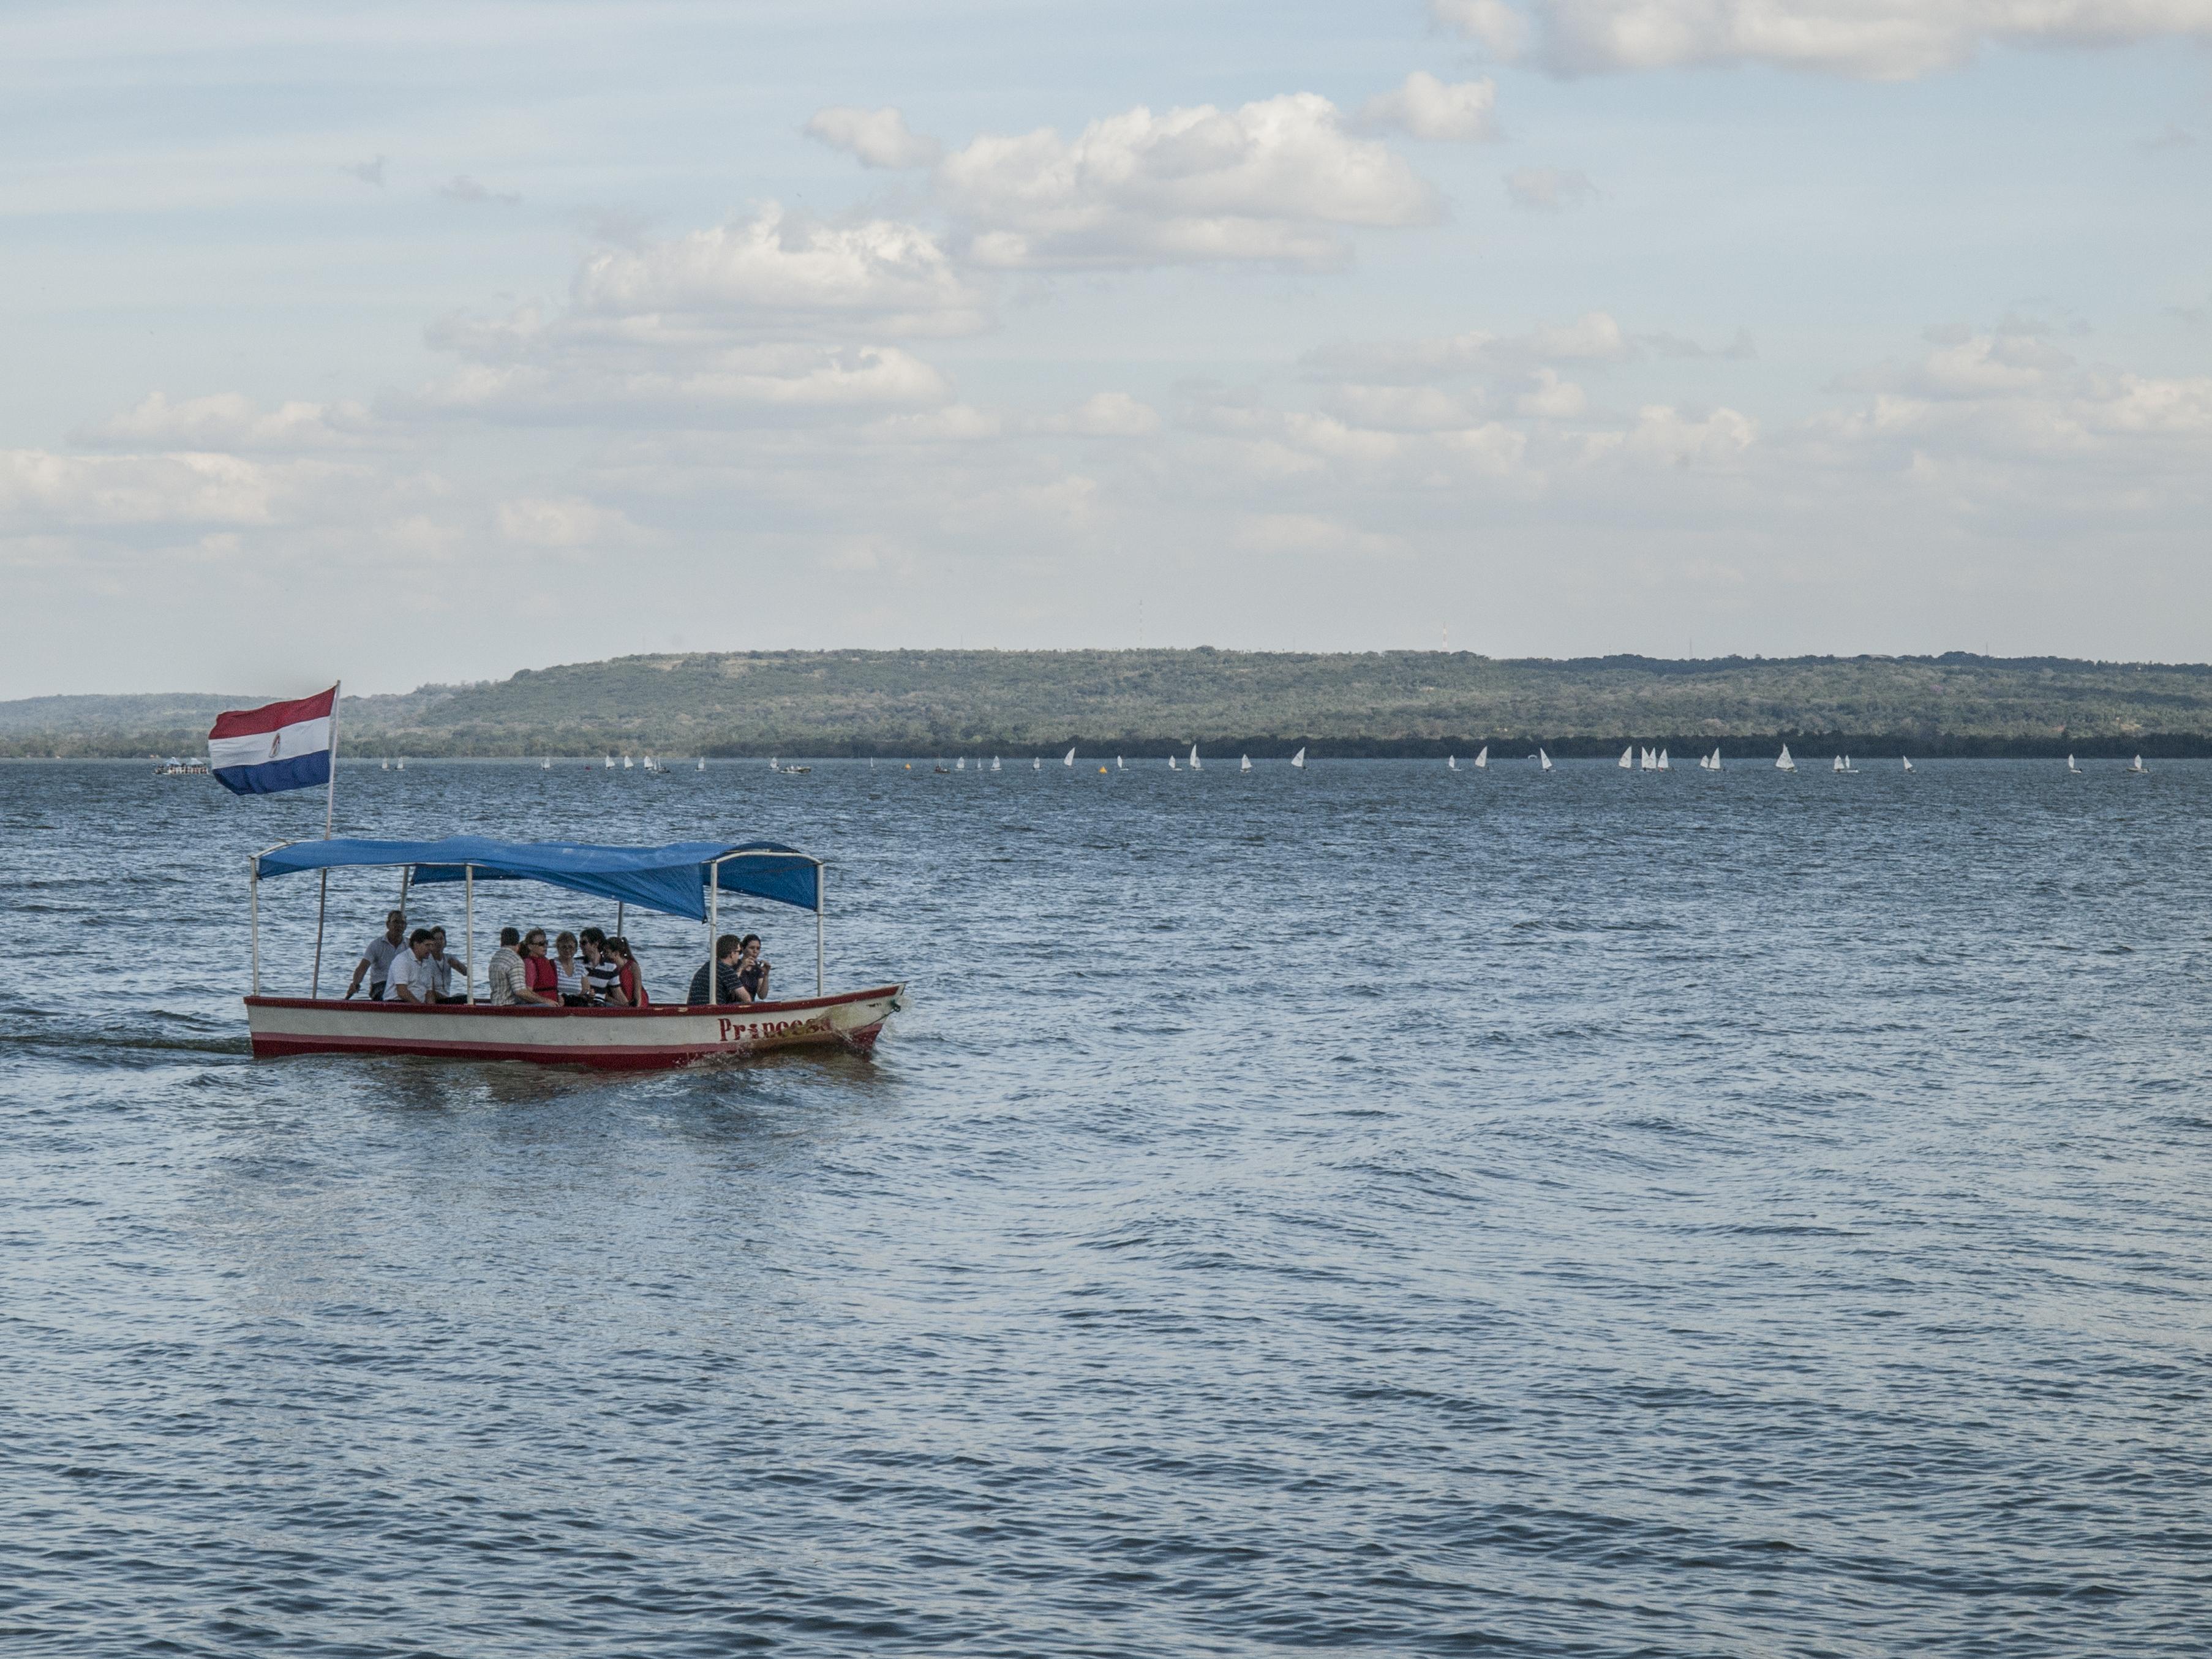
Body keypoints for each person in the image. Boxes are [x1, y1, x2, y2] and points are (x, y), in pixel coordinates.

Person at [346, 910, 407, 1001]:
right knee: (389, 996)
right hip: (380, 984)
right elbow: (363, 967)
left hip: (403, 985)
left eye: (402, 922)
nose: (399, 925)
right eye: (395, 922)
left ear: (406, 926)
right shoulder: (376, 945)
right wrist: (355, 983)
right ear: (388, 924)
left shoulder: (410, 946)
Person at [382, 928, 438, 1004]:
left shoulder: (429, 962)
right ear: (416, 944)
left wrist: (431, 1010)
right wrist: (421, 1008)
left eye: (432, 945)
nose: (431, 949)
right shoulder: (402, 960)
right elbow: (402, 991)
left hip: (418, 1005)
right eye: (427, 945)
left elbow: (429, 992)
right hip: (397, 1004)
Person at [688, 935, 747, 1006]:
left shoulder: (708, 966)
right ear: (732, 953)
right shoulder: (726, 970)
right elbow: (747, 999)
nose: (739, 955)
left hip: (694, 1010)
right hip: (711, 1013)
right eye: (739, 952)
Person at [486, 927, 534, 1006]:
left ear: (501, 942)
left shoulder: (496, 957)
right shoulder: (515, 960)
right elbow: (520, 992)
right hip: (510, 1006)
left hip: (496, 1003)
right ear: (518, 945)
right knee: (547, 1007)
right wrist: (545, 1001)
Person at [426, 927, 469, 1004]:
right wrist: (448, 999)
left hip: (446, 998)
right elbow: (429, 991)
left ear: (445, 943)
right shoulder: (427, 960)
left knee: (468, 997)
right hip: (434, 999)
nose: (438, 942)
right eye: (435, 939)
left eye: (441, 939)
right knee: (464, 999)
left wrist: (458, 964)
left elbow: (467, 973)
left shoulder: (449, 958)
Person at [580, 927, 621, 1004]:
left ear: (595, 944)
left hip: (599, 1007)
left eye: (584, 943)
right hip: (580, 1004)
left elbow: (617, 993)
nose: (580, 946)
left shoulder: (611, 967)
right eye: (580, 943)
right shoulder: (577, 963)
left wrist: (630, 1007)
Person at [519, 929, 560, 1006]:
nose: (545, 946)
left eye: (546, 943)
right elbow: (527, 993)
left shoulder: (547, 962)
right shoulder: (530, 964)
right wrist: (546, 1001)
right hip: (539, 1008)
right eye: (541, 944)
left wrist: (558, 998)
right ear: (530, 947)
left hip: (552, 1006)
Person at [551, 931, 591, 1006]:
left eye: (571, 947)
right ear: (558, 948)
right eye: (564, 947)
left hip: (575, 1004)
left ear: (576, 950)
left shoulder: (580, 967)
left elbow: (586, 989)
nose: (567, 950)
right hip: (557, 1005)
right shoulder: (552, 965)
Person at [608, 936, 648, 1006]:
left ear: (616, 953)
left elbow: (637, 993)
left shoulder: (633, 966)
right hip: (619, 1002)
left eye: (606, 952)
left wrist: (636, 1009)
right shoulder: (607, 966)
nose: (603, 955)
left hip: (637, 1002)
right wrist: (623, 1005)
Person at [735, 934, 771, 1003]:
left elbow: (762, 996)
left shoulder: (757, 969)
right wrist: (742, 968)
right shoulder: (735, 964)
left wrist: (766, 975)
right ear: (743, 949)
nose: (755, 951)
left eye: (758, 949)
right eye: (752, 948)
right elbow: (729, 986)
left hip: (750, 1005)